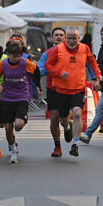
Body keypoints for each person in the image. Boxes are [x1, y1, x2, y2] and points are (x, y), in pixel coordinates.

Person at [45, 27, 102, 157]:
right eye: (69, 38)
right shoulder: (58, 49)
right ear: (66, 38)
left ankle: (75, 144)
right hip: (61, 90)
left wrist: (97, 75)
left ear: (78, 38)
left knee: (77, 113)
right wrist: (59, 73)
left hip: (78, 88)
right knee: (62, 119)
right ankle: (67, 127)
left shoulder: (84, 48)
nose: (71, 41)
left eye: (74, 38)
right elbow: (48, 66)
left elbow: (92, 62)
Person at [0, 42, 39, 164]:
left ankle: (18, 120)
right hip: (6, 98)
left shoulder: (25, 63)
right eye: (14, 56)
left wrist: (38, 86)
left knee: (18, 125)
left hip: (22, 97)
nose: (17, 58)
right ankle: (14, 151)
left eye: (19, 56)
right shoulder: (3, 64)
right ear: (8, 54)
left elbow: (36, 70)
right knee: (7, 127)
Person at [38, 27, 73, 157]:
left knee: (64, 119)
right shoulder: (47, 54)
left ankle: (67, 125)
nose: (58, 37)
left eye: (61, 35)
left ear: (65, 38)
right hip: (53, 89)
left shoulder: (72, 52)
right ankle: (57, 146)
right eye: (56, 35)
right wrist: (53, 69)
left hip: (68, 88)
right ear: (52, 38)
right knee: (54, 119)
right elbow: (39, 70)